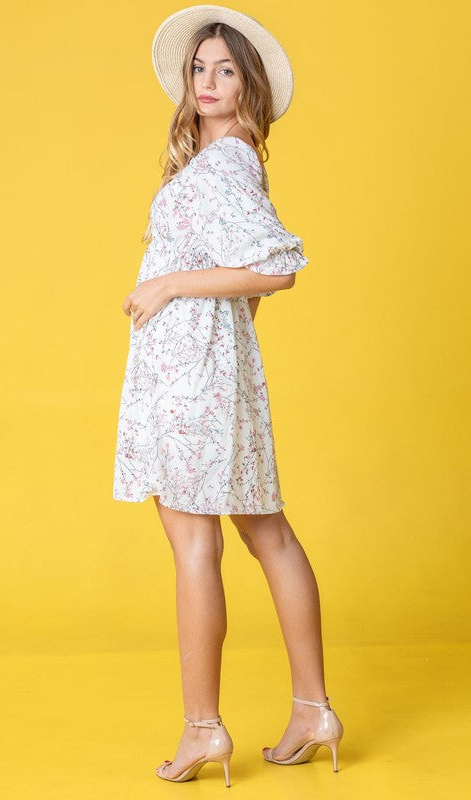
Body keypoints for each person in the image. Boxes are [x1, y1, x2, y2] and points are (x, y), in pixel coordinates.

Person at [112, 4, 344, 786]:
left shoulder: (225, 163)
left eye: (225, 70)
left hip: (190, 376)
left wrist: (170, 284)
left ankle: (203, 729)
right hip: (212, 368)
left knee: (196, 546)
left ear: (247, 87)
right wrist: (213, 316)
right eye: (198, 68)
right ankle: (312, 707)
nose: (207, 82)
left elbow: (275, 268)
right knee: (265, 534)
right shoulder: (222, 162)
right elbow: (247, 277)